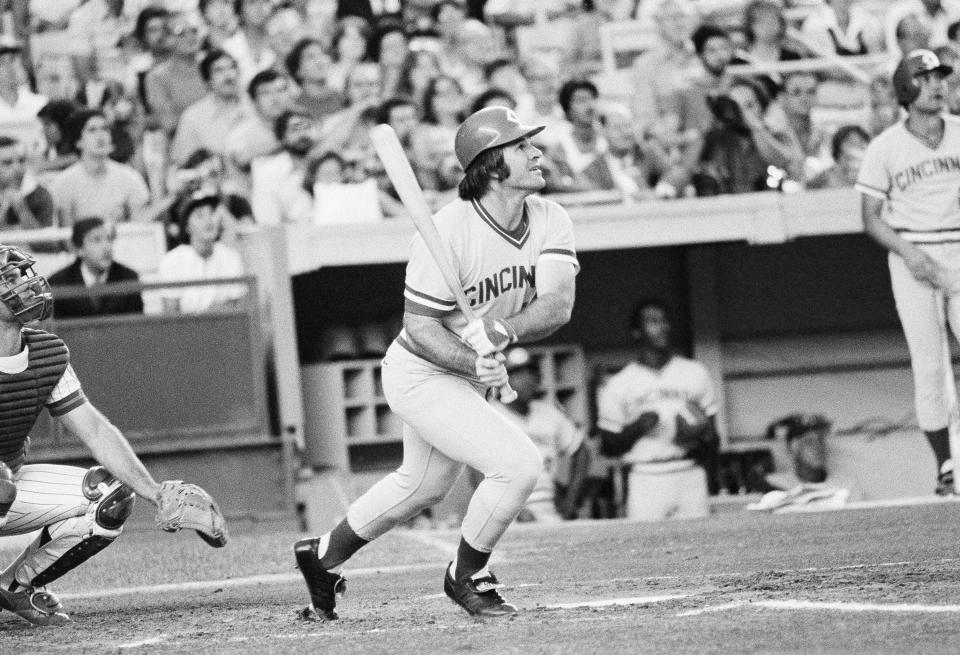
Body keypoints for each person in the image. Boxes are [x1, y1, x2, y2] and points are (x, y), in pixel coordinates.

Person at [294, 106, 578, 620]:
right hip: (419, 371)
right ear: (491, 165)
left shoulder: (550, 217)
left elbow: (557, 304)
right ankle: (467, 576)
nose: (537, 153)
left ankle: (322, 558)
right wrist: (475, 363)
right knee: (518, 465)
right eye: (522, 147)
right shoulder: (446, 229)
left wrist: (501, 331)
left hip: (466, 368)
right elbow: (421, 327)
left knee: (422, 484)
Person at [0, 244, 226, 626]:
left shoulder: (46, 352)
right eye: (7, 279)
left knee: (111, 497)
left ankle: (16, 587)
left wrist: (153, 491)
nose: (23, 285)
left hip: (8, 486)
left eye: (20, 276)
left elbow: (96, 430)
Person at [856, 49, 960, 495]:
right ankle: (946, 466)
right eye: (926, 77)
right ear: (906, 86)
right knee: (929, 363)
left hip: (957, 245)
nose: (937, 84)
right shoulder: (884, 147)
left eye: (940, 76)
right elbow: (871, 217)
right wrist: (911, 254)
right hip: (912, 250)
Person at [595, 299, 719, 522]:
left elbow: (713, 437)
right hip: (645, 476)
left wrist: (700, 432)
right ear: (636, 332)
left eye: (664, 321)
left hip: (688, 471)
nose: (662, 327)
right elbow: (608, 445)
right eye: (652, 322)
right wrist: (638, 427)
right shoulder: (620, 383)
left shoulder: (694, 372)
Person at [490, 347, 589, 522]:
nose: (526, 379)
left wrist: (571, 501)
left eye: (531, 372)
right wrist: (512, 511)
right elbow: (476, 470)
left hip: (549, 509)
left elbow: (581, 451)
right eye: (517, 374)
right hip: (506, 515)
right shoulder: (491, 414)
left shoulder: (548, 413)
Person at [49, 109, 151, 226]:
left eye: (105, 129)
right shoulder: (63, 183)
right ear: (78, 141)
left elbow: (140, 226)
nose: (100, 135)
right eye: (92, 130)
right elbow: (65, 236)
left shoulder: (130, 178)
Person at [746, 414, 862, 512]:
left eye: (820, 441)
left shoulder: (846, 485)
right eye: (808, 442)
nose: (817, 448)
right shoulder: (773, 484)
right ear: (793, 448)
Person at [158, 192, 247, 314]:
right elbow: (171, 313)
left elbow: (238, 307)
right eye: (199, 215)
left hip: (224, 329)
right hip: (186, 331)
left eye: (212, 213)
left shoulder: (231, 257)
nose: (208, 220)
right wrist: (211, 311)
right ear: (187, 227)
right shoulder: (172, 260)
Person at [47, 217, 143, 318]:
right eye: (97, 240)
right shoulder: (57, 283)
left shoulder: (129, 278)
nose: (107, 246)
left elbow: (136, 328)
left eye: (109, 239)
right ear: (79, 249)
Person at [170, 49, 253, 165]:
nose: (228, 75)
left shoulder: (254, 105)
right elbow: (182, 164)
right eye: (219, 70)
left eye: (232, 68)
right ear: (207, 81)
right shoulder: (192, 118)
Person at [0, 135, 54, 229]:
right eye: (7, 163)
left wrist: (22, 210)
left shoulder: (41, 195)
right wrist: (3, 210)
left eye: (21, 161)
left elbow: (48, 243)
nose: (17, 168)